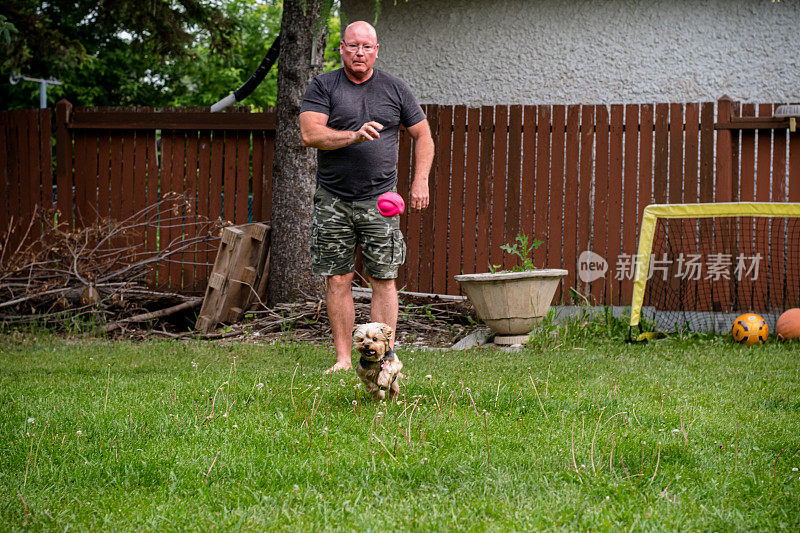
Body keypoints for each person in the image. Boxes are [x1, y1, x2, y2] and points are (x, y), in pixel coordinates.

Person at [299, 20, 434, 373]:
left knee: (384, 279)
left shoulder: (395, 88)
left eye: (367, 47)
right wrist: (353, 136)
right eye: (353, 46)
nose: (360, 53)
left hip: (381, 200)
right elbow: (311, 134)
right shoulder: (324, 85)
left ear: (377, 50)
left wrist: (420, 181)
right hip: (333, 200)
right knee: (338, 279)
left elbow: (424, 135)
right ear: (342, 48)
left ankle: (385, 357)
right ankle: (344, 359)